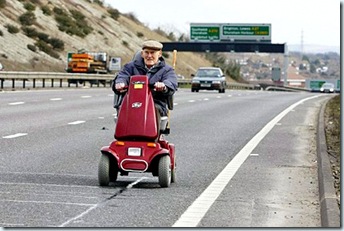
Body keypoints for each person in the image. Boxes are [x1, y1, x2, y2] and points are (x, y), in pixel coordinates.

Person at [113, 40, 178, 117]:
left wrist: (164, 86)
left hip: (155, 102)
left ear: (159, 54)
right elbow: (123, 76)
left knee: (154, 111)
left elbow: (171, 82)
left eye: (152, 52)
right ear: (142, 53)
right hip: (131, 102)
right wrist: (120, 83)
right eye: (146, 52)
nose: (149, 56)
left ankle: (153, 128)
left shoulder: (167, 70)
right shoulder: (130, 67)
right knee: (122, 110)